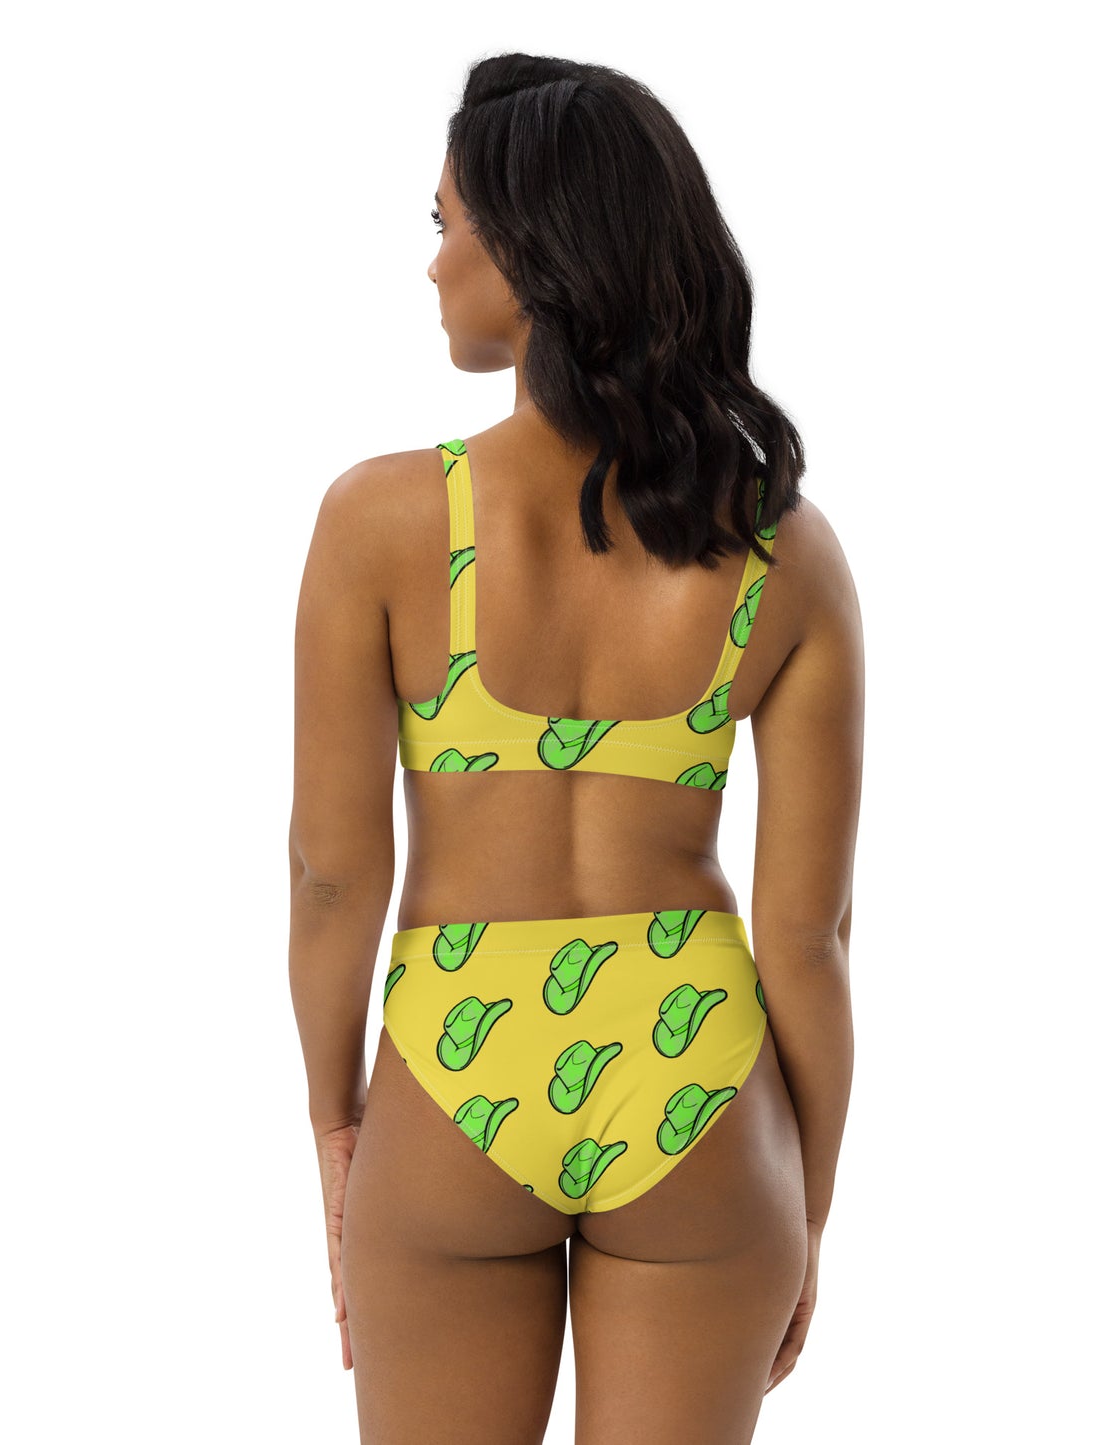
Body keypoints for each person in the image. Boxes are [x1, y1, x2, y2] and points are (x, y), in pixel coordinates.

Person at [290, 52, 862, 1444]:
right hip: (697, 1077)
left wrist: (336, 1126)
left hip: (455, 1064)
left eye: (444, 224)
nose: (431, 264)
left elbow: (330, 878)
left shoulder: (380, 522)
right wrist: (804, 1204)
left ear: (528, 247)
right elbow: (809, 937)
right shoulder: (783, 551)